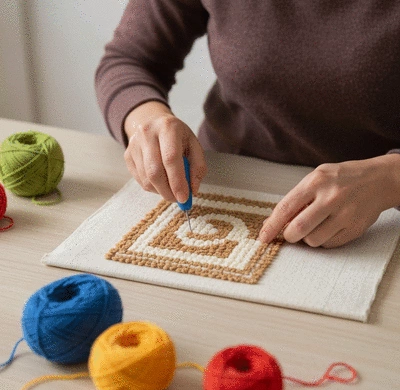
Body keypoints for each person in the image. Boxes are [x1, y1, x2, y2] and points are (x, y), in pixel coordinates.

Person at [95, 1, 400, 248]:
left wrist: (390, 180)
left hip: (378, 221)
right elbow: (129, 59)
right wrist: (146, 122)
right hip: (221, 179)